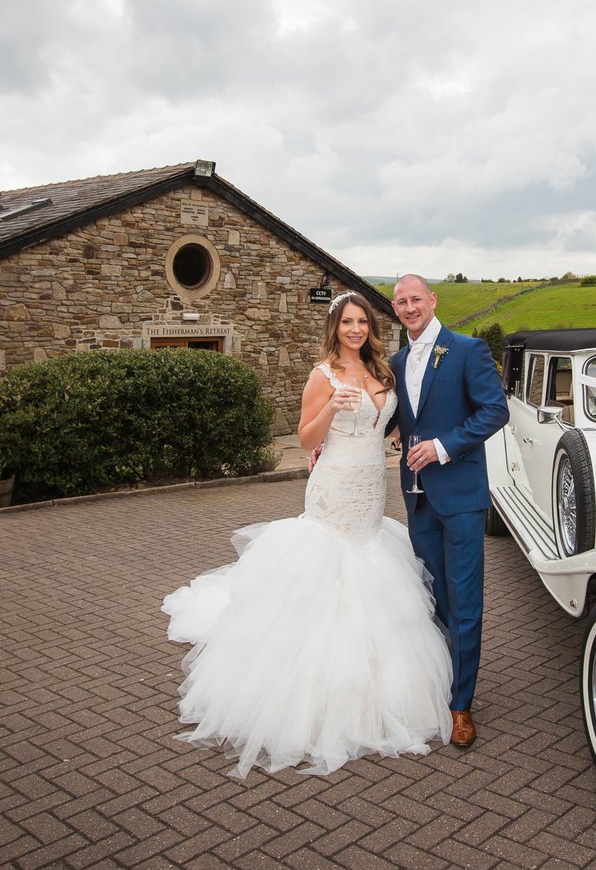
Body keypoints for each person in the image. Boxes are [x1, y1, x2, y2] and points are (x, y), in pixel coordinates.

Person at [160, 291, 453, 777]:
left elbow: (395, 420)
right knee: (326, 576)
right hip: (333, 489)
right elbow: (305, 439)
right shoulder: (323, 376)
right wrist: (332, 410)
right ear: (334, 328)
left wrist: (404, 434)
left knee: (373, 573)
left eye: (362, 322)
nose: (355, 329)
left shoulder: (383, 372)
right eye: (347, 322)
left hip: (371, 492)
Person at [388, 274, 509, 748]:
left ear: (433, 301)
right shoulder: (397, 361)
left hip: (459, 498)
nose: (410, 307)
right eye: (401, 301)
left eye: (416, 298)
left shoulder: (467, 349)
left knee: (464, 602)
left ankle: (461, 704)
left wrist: (443, 446)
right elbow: (396, 417)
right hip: (417, 498)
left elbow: (494, 410)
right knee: (432, 596)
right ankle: (438, 682)